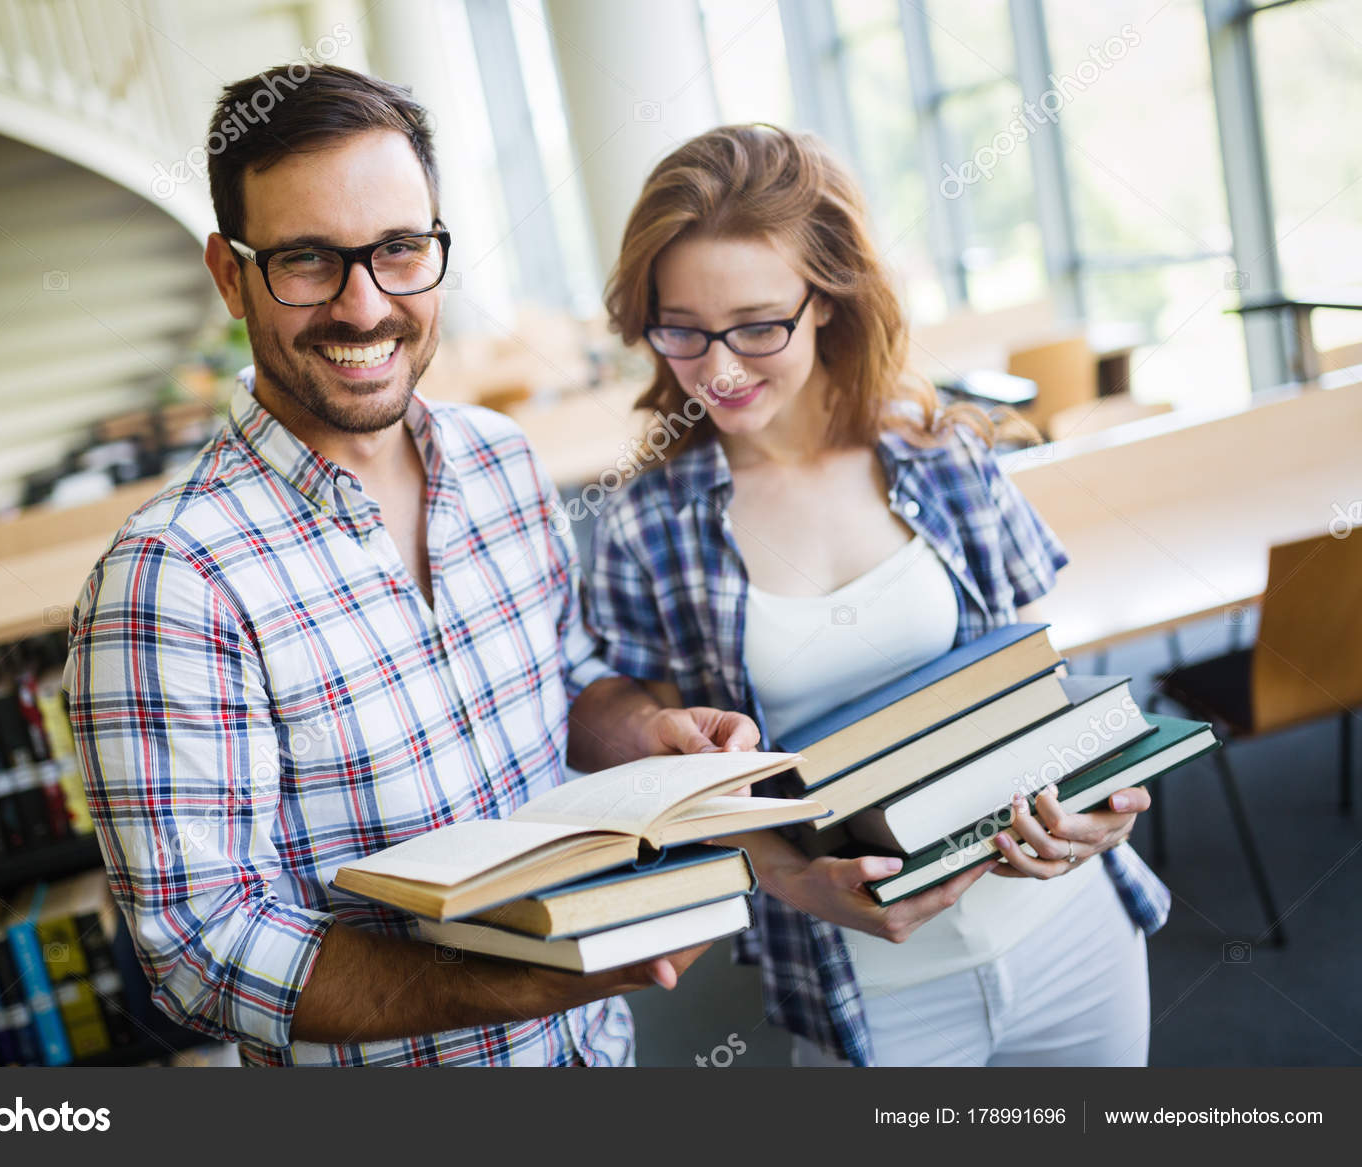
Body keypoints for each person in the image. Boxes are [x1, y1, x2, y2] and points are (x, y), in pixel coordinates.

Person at [62, 66, 757, 1067]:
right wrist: (532, 979)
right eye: (307, 259)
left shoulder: (500, 462)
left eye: (398, 250)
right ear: (229, 274)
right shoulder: (171, 583)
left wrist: (650, 731)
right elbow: (201, 952)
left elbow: (559, 688)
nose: (362, 306)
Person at [585, 124, 1169, 1067]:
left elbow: (1036, 685)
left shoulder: (943, 456)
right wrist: (779, 875)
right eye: (684, 328)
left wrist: (1101, 795)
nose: (720, 368)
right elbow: (640, 770)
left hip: (1071, 934)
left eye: (759, 324)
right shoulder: (646, 524)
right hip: (872, 988)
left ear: (828, 299)